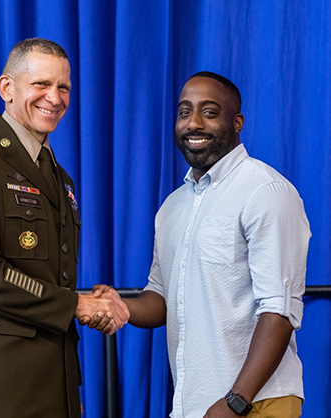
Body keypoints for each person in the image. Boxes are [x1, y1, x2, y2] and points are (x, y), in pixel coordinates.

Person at [0, 38, 129, 418]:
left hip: (54, 379)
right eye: (41, 84)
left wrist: (92, 301)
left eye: (63, 87)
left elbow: (42, 279)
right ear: (7, 88)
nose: (54, 98)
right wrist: (78, 304)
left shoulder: (60, 179)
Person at [91, 72, 311, 417]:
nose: (193, 123)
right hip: (194, 406)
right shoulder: (173, 207)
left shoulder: (265, 192)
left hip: (255, 403)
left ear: (236, 122)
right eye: (184, 112)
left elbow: (279, 311)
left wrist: (235, 401)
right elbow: (161, 297)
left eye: (209, 112)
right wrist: (125, 308)